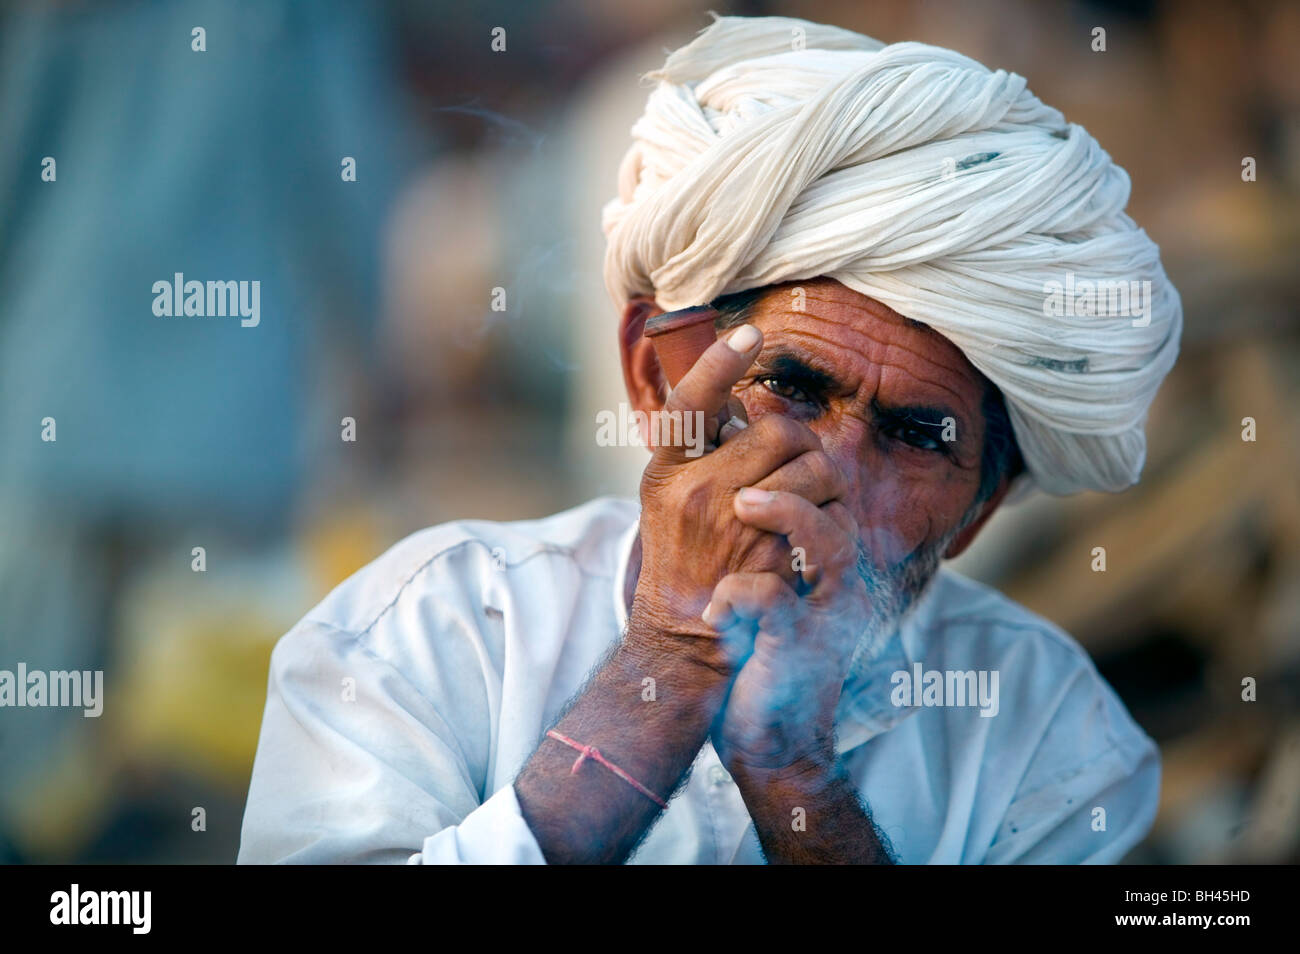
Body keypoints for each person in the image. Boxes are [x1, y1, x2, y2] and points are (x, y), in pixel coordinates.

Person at [238, 14, 1180, 864]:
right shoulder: (426, 633)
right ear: (656, 383)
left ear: (977, 513)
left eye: (916, 436)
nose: (832, 475)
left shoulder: (1055, 736)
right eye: (792, 389)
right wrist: (668, 665)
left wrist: (796, 776)